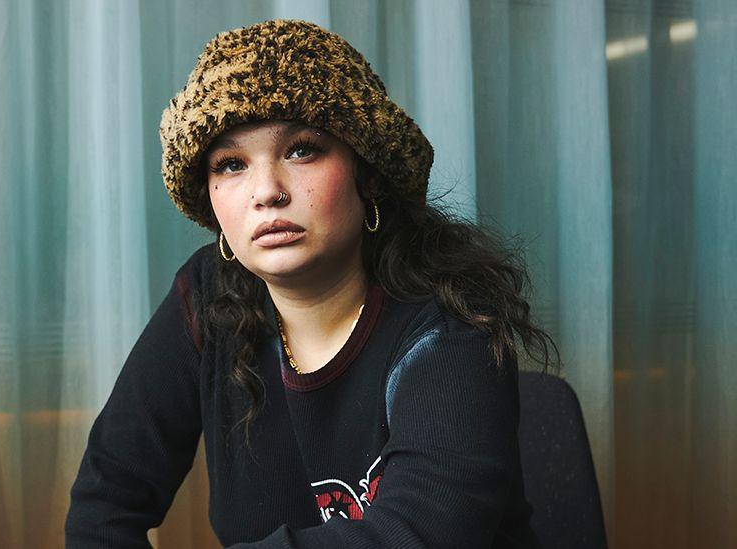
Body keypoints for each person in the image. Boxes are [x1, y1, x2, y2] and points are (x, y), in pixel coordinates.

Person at [65, 19, 560, 549]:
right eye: (231, 164)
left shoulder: (454, 320)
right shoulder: (207, 297)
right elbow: (105, 500)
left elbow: (418, 536)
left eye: (301, 150)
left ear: (365, 174)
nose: (267, 192)